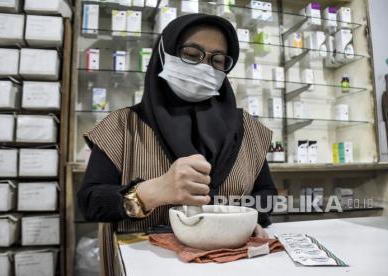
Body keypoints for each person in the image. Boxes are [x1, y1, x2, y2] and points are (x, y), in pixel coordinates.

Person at [77, 13, 277, 237]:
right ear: (164, 55)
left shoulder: (247, 128)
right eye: (191, 55)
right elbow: (90, 202)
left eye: (218, 60)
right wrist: (151, 192)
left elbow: (267, 193)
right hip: (148, 263)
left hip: (228, 258)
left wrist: (244, 218)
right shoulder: (122, 126)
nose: (203, 67)